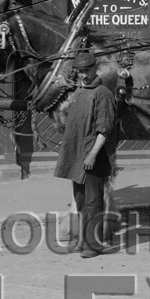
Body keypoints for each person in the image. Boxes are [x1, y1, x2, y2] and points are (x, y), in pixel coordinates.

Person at [54, 49, 118, 259]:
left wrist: (92, 155)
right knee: (80, 201)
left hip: (94, 158)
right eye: (79, 71)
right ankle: (80, 242)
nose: (83, 75)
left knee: (93, 202)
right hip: (78, 158)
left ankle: (93, 245)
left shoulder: (103, 94)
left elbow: (104, 130)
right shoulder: (80, 93)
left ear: (95, 68)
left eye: (86, 70)